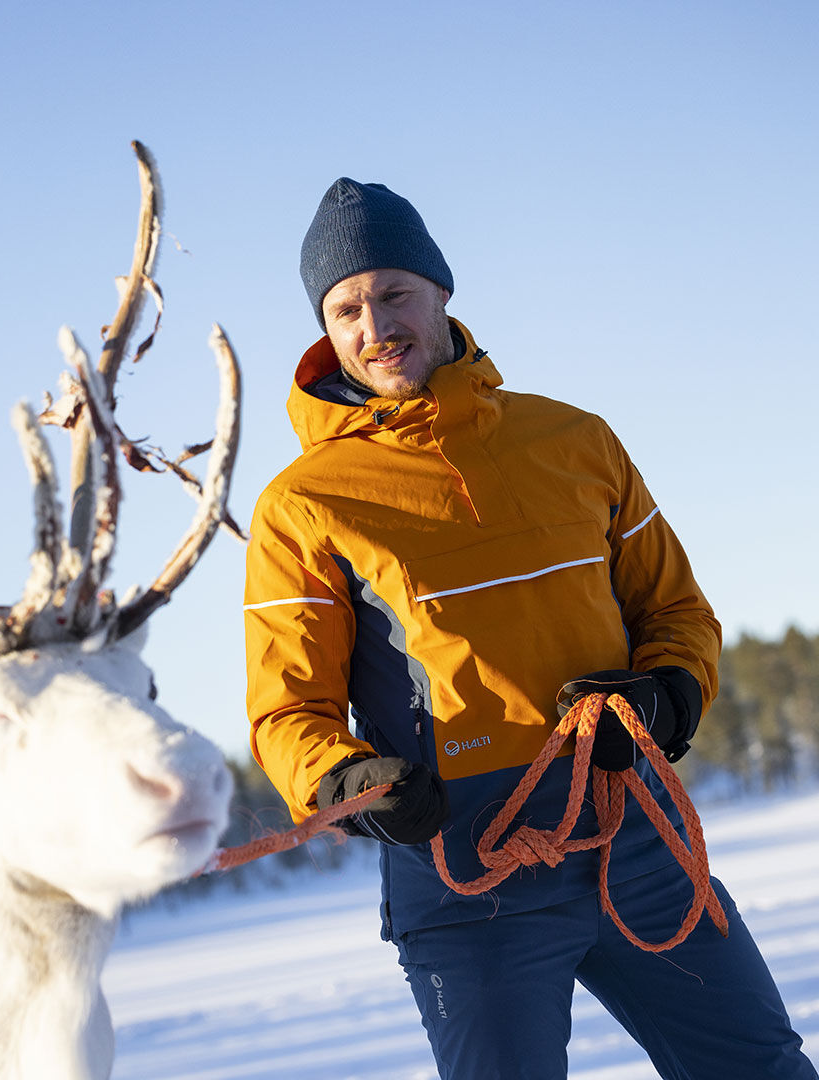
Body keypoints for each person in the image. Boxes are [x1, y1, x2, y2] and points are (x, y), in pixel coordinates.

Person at [242, 177, 817, 1080]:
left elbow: (675, 612)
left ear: (441, 292)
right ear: (327, 329)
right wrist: (351, 780)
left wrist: (666, 697)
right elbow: (288, 712)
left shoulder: (575, 440)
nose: (375, 324)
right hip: (466, 867)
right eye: (347, 307)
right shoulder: (302, 506)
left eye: (394, 293)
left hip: (637, 834)